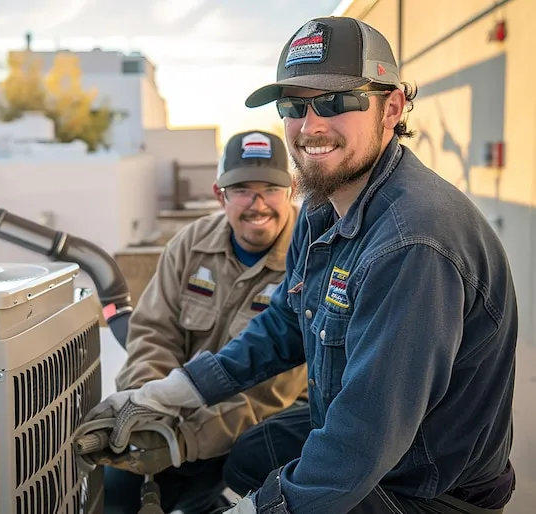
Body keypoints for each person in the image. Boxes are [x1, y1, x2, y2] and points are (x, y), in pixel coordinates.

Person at [83, 15, 518, 514]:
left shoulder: (412, 243)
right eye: (294, 105)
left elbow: (361, 439)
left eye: (335, 102)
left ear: (391, 108)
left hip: (427, 486)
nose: (310, 127)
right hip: (377, 442)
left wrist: (258, 510)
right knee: (250, 458)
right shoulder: (323, 205)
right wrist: (170, 393)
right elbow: (288, 323)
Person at [101, 130, 310, 514]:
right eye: (242, 189)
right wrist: (148, 411)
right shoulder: (190, 243)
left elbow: (272, 392)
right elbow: (152, 331)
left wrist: (182, 439)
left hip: (257, 427)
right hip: (179, 412)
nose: (257, 203)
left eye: (270, 189)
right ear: (220, 195)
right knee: (115, 488)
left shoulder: (311, 258)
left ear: (292, 189)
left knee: (232, 470)